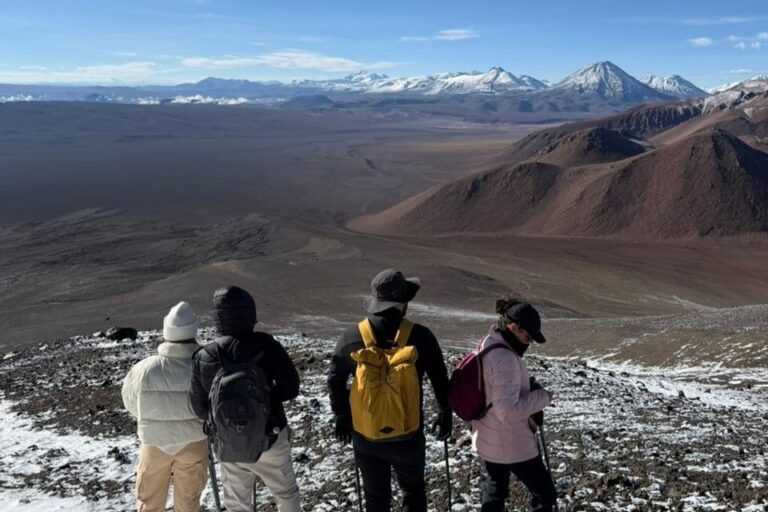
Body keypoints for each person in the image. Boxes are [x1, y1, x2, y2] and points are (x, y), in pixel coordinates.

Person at [328, 268, 452, 512]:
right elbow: (439, 378)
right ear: (403, 303)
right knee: (413, 492)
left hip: (366, 437)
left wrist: (342, 415)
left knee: (376, 499)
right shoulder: (421, 337)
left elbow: (334, 379)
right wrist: (444, 413)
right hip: (408, 436)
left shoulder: (351, 338)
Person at [189, 286, 301, 512]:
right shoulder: (267, 346)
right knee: (286, 494)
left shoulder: (204, 355)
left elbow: (199, 408)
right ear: (250, 313)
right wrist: (264, 402)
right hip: (271, 435)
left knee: (237, 504)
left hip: (229, 442)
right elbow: (291, 388)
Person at [121, 301, 208, 512]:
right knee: (188, 501)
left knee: (149, 500)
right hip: (193, 440)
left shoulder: (145, 368)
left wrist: (152, 418)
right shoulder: (204, 366)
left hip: (154, 441)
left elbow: (131, 401)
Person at [472, 296, 556, 512]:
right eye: (528, 337)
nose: (528, 343)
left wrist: (525, 387)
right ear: (513, 327)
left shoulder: (489, 343)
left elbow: (496, 391)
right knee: (545, 495)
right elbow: (507, 412)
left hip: (489, 436)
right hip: (511, 441)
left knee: (495, 490)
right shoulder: (505, 358)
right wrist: (542, 397)